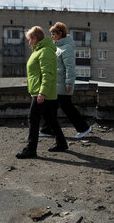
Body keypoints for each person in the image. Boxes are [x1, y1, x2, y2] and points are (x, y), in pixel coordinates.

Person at [16, 26, 68, 159]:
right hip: (40, 91)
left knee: (33, 119)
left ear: (35, 38)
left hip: (42, 93)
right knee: (50, 118)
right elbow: (36, 73)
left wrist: (42, 93)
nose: (28, 42)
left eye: (29, 39)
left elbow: (48, 74)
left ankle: (31, 149)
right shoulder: (40, 51)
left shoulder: (45, 51)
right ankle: (61, 142)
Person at [40, 22, 92, 139]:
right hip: (56, 84)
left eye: (54, 34)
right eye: (51, 34)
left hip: (63, 84)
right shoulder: (57, 46)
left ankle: (84, 128)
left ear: (60, 34)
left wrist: (69, 83)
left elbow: (70, 67)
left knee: (67, 107)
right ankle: (47, 129)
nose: (52, 36)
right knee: (51, 107)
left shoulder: (66, 47)